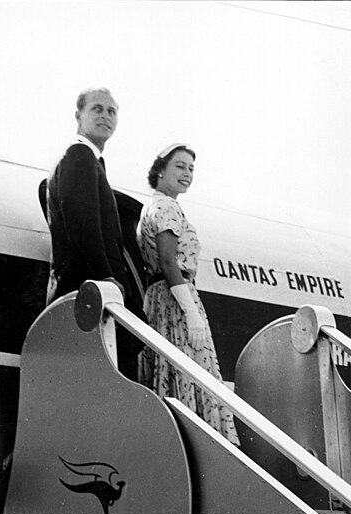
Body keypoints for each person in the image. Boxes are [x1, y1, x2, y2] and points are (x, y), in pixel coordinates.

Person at [137, 143, 239, 445]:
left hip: (160, 298)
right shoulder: (166, 206)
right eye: (180, 166)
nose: (187, 174)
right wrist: (191, 312)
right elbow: (169, 262)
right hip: (175, 299)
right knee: (192, 374)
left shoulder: (153, 205)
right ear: (160, 170)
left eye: (191, 168)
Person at [42, 87, 145, 379]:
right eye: (97, 109)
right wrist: (107, 276)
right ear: (79, 116)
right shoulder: (78, 155)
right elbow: (82, 225)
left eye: (112, 111)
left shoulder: (90, 160)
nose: (106, 116)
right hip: (90, 291)